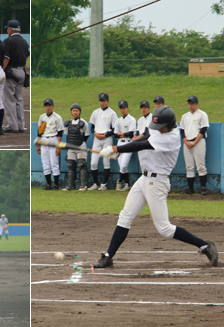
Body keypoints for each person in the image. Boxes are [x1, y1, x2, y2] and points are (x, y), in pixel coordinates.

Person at [93, 106, 219, 269]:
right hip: (144, 179)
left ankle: (205, 246)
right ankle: (108, 256)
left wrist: (116, 148)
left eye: (161, 127)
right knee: (125, 216)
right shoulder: (160, 129)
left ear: (170, 124)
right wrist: (119, 151)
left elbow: (144, 144)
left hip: (157, 183)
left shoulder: (171, 137)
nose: (157, 130)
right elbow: (145, 135)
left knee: (164, 229)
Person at [2, 19, 28, 133]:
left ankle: (13, 125)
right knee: (19, 99)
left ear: (11, 29)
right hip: (21, 71)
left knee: (9, 99)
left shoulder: (8, 41)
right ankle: (20, 125)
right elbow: (26, 59)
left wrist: (2, 71)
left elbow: (6, 59)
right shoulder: (24, 41)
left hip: (11, 72)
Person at [180, 95, 210, 195]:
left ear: (197, 104)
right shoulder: (185, 116)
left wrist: (194, 142)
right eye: (189, 103)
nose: (190, 105)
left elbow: (203, 129)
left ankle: (203, 187)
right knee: (189, 166)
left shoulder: (202, 114)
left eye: (192, 103)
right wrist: (186, 142)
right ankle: (190, 188)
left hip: (198, 142)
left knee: (200, 165)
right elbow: (182, 131)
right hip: (187, 142)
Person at [87, 93, 118, 190]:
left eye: (104, 100)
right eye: (101, 100)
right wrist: (95, 134)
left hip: (107, 138)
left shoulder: (112, 113)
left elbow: (114, 129)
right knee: (93, 162)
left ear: (108, 101)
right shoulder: (95, 112)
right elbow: (92, 127)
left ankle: (104, 184)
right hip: (97, 138)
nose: (102, 102)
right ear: (98, 101)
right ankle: (95, 183)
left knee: (106, 161)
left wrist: (105, 135)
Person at [36, 98, 64, 189]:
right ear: (44, 107)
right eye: (46, 106)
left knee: (54, 163)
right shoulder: (42, 117)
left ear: (53, 106)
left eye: (50, 106)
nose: (48, 108)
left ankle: (56, 184)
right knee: (45, 163)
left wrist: (58, 146)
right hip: (44, 139)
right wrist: (38, 144)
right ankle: (48, 184)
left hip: (53, 139)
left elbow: (60, 133)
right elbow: (39, 132)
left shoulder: (57, 117)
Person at [62, 103, 90, 191]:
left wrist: (79, 143)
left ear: (80, 112)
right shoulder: (68, 123)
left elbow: (86, 135)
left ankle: (83, 185)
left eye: (76, 111)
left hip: (81, 146)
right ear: (71, 112)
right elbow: (67, 135)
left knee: (82, 164)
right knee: (70, 165)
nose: (75, 112)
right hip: (71, 147)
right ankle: (70, 185)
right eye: (73, 110)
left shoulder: (84, 123)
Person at [115, 100, 137, 191]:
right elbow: (115, 134)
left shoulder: (131, 119)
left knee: (123, 165)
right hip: (120, 142)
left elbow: (131, 134)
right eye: (121, 108)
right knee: (121, 165)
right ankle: (127, 184)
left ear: (127, 108)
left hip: (129, 142)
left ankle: (119, 180)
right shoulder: (118, 120)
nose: (122, 109)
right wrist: (123, 134)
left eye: (124, 108)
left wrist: (122, 133)